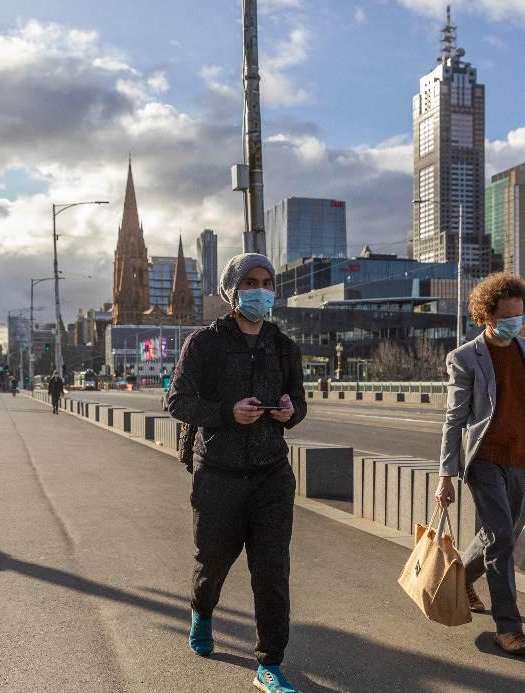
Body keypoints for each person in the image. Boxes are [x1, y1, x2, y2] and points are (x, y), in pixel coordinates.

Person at [167, 253, 306, 693]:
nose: (261, 289)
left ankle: (270, 663)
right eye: (251, 282)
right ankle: (202, 611)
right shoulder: (204, 344)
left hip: (271, 475)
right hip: (219, 475)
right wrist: (227, 413)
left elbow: (299, 403)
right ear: (232, 290)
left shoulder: (284, 347)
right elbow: (178, 402)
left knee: (271, 571)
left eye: (267, 281)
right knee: (212, 562)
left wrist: (288, 412)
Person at [436, 272, 525, 656]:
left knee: (497, 534)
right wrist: (446, 475)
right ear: (486, 316)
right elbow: (454, 419)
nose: (515, 322)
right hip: (484, 460)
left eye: (519, 314)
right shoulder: (464, 357)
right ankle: (508, 629)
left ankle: (459, 581)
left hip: (520, 458)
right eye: (507, 316)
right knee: (502, 540)